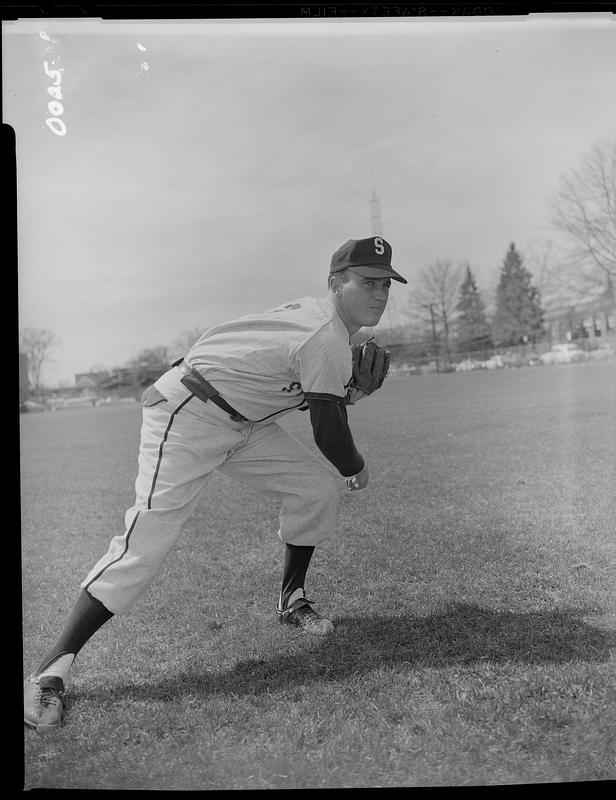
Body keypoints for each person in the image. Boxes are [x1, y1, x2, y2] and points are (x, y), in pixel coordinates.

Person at [23, 235, 407, 731]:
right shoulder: (325, 335)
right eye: (368, 282)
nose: (379, 293)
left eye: (386, 284)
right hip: (188, 414)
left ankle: (292, 601)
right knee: (148, 541)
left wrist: (349, 391)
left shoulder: (325, 329)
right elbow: (328, 431)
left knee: (313, 489)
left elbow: (292, 390)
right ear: (336, 283)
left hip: (244, 422)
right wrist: (355, 467)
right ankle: (48, 672)